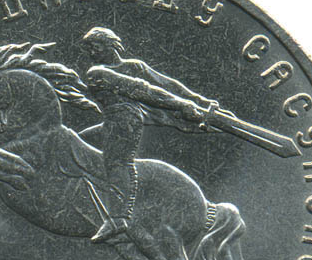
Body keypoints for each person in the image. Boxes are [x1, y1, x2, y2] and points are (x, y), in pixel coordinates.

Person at [82, 27, 218, 243]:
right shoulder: (98, 72)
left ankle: (118, 218)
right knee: (79, 142)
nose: (91, 52)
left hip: (125, 121)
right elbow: (149, 89)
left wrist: (195, 100)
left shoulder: (115, 70)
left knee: (119, 162)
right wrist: (184, 104)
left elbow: (157, 86)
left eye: (95, 46)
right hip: (110, 121)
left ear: (111, 44)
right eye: (88, 48)